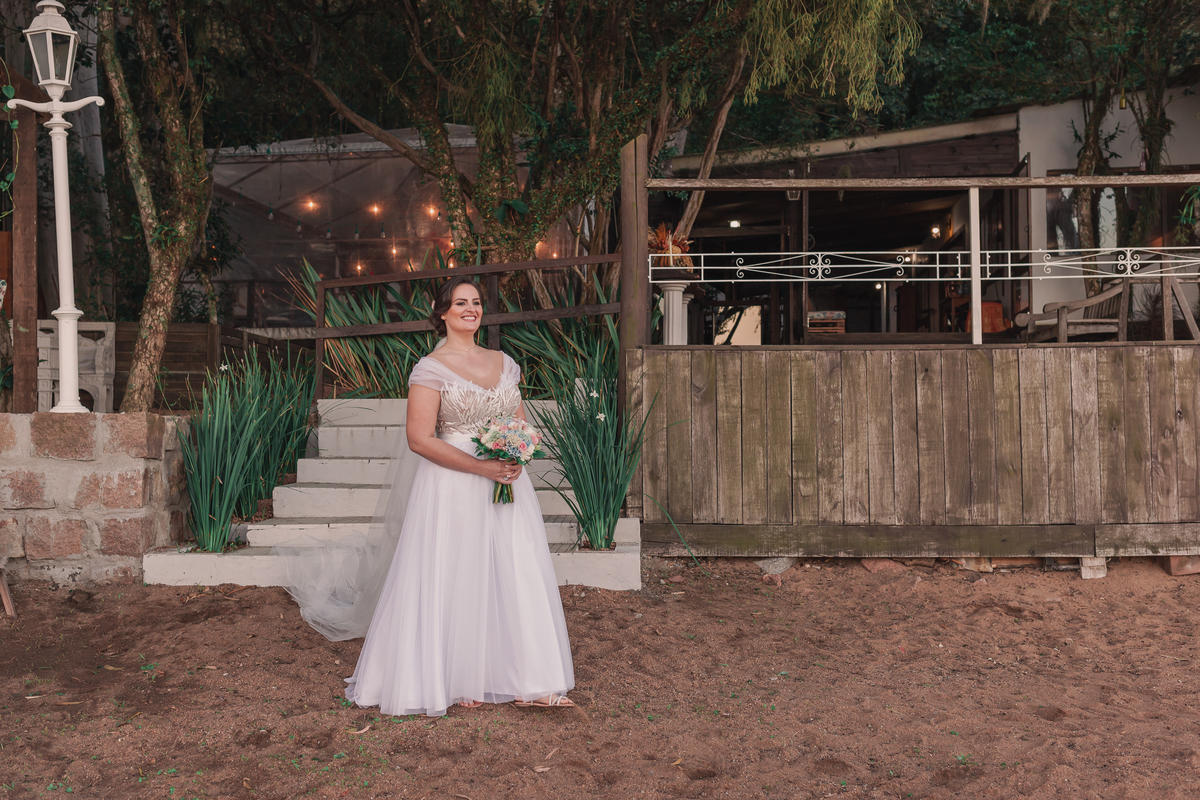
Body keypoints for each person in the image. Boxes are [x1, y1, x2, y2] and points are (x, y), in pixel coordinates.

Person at [325, 276, 575, 716]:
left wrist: (517, 452)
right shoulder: (430, 368)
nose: (470, 309)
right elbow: (419, 439)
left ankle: (529, 679)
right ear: (442, 313)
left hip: (506, 482)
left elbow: (520, 423)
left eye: (476, 302)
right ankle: (459, 676)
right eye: (460, 303)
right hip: (453, 483)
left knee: (514, 570)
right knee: (456, 571)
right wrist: (482, 467)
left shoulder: (505, 362)